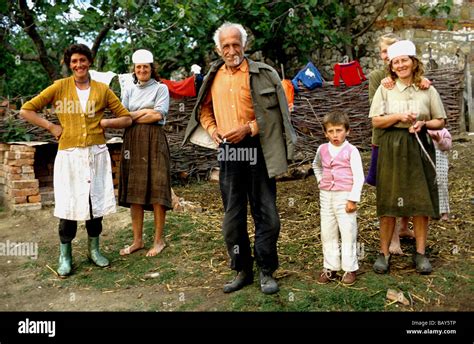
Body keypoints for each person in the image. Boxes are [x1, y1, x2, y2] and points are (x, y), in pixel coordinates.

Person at [183, 22, 297, 294]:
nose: (231, 50)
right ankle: (242, 270)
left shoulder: (264, 74)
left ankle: (266, 270)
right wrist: (214, 131)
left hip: (259, 148)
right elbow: (204, 111)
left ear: (244, 45)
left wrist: (248, 128)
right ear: (218, 48)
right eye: (226, 45)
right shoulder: (213, 77)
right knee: (233, 217)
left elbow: (278, 114)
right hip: (230, 152)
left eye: (236, 44)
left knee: (266, 213)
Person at [20, 44, 132, 277]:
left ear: (89, 61)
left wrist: (106, 124)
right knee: (69, 206)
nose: (79, 65)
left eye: (82, 60)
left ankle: (94, 250)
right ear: (69, 65)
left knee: (95, 205)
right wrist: (51, 126)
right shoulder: (60, 87)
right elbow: (26, 110)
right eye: (74, 62)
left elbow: (126, 118)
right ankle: (65, 256)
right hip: (70, 156)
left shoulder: (102, 90)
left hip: (96, 155)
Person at [369, 40, 446, 275]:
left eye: (405, 60)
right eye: (396, 61)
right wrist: (399, 116)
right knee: (389, 200)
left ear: (413, 62)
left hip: (419, 145)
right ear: (391, 65)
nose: (400, 65)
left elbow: (440, 121)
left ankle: (421, 253)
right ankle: (383, 254)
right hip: (391, 146)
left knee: (421, 201)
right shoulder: (386, 88)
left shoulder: (426, 88)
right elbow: (376, 120)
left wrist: (423, 123)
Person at [118, 49, 172, 257]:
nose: (142, 70)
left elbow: (158, 115)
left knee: (158, 187)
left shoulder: (161, 89)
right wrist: (144, 112)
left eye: (146, 67)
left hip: (154, 140)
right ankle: (137, 240)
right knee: (135, 191)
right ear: (134, 69)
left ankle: (159, 240)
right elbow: (123, 116)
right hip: (132, 142)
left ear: (151, 69)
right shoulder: (129, 90)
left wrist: (135, 115)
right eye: (138, 67)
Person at [312, 112, 364, 286]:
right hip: (326, 196)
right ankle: (330, 266)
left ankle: (350, 267)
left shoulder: (351, 151)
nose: (335, 135)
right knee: (328, 231)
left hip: (345, 195)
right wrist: (320, 180)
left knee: (348, 231)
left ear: (347, 131)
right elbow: (316, 165)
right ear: (326, 133)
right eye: (331, 131)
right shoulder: (322, 149)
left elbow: (359, 177)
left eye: (339, 130)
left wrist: (353, 199)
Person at [427, 128, 452, 221]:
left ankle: (444, 213)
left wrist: (439, 140)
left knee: (441, 185)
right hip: (426, 159)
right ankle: (430, 212)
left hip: (440, 160)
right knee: (428, 186)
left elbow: (448, 146)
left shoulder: (443, 131)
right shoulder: (423, 130)